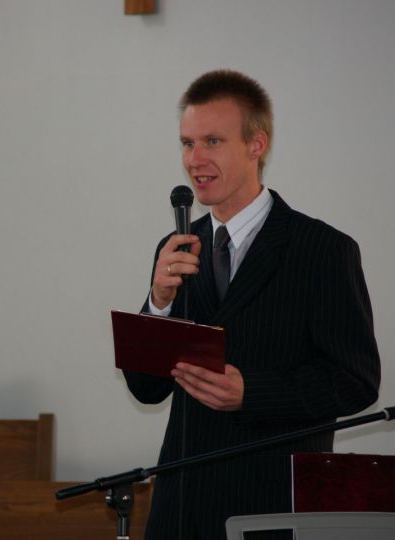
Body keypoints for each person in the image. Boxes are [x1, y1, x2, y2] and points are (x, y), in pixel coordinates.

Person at [123, 70, 380, 539]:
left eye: (213, 141)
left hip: (272, 503)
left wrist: (252, 392)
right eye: (187, 143)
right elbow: (146, 389)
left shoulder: (323, 249)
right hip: (182, 507)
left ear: (256, 145)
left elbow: (356, 381)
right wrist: (158, 303)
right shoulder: (176, 247)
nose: (194, 159)